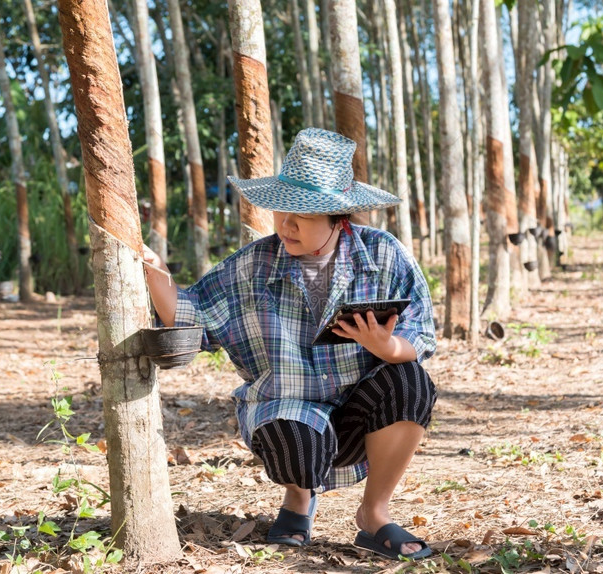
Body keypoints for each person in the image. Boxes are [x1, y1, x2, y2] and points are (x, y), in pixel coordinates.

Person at [143, 128, 437, 560]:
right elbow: (191, 312)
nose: (286, 224)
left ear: (339, 218)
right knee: (296, 443)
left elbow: (421, 331)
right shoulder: (254, 263)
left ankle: (374, 514)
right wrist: (156, 271)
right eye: (283, 210)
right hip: (288, 408)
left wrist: (387, 347)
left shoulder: (385, 255)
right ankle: (298, 500)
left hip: (361, 411)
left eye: (304, 214)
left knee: (411, 381)